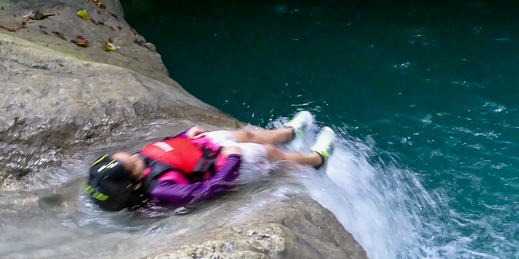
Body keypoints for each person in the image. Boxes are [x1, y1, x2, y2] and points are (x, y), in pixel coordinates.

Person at [85, 111, 336, 211]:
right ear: (136, 182)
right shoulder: (162, 189)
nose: (133, 155)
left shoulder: (137, 163)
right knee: (272, 156)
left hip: (204, 148)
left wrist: (184, 136)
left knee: (248, 134)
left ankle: (287, 134)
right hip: (223, 164)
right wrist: (232, 161)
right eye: (131, 162)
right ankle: (315, 160)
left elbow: (164, 151)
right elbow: (207, 190)